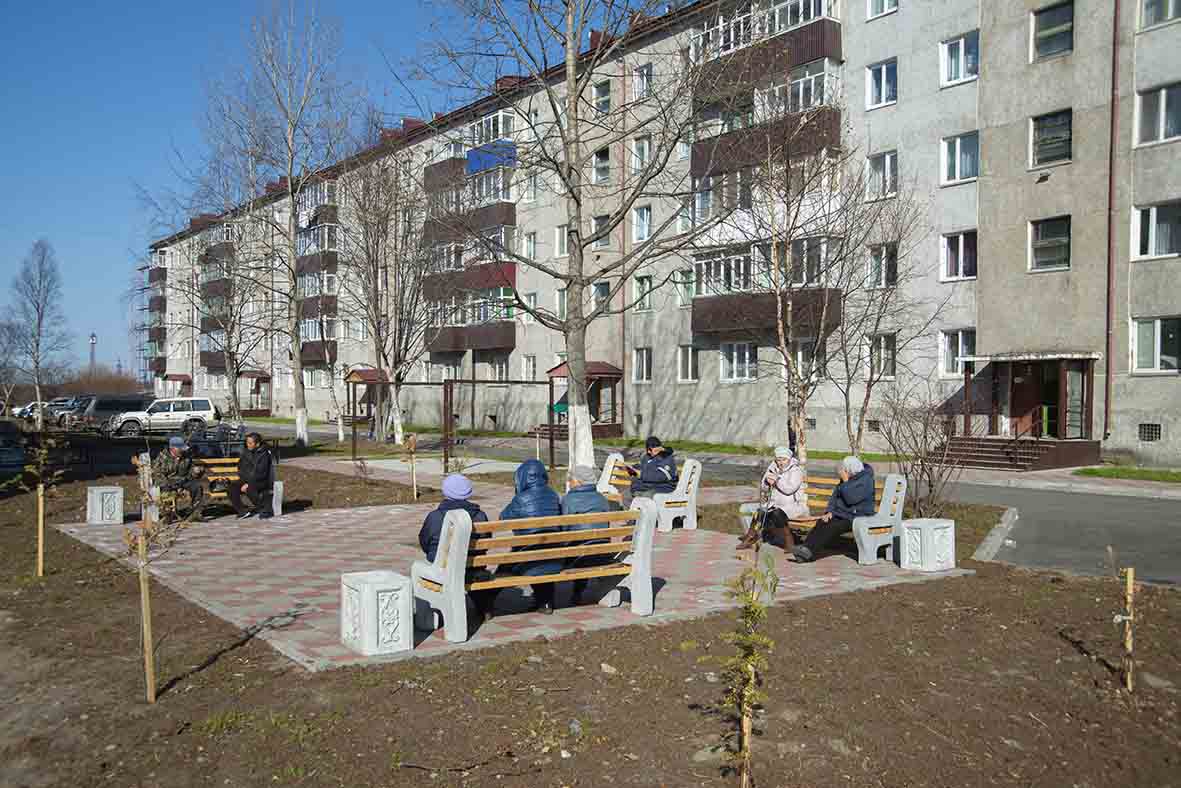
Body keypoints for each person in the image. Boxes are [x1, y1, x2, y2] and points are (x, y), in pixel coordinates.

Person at [418, 474, 499, 621]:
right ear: (468, 492)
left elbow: (424, 541)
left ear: (445, 491)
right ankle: (484, 607)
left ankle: (436, 610)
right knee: (472, 570)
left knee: (425, 566)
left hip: (443, 568)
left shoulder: (435, 516)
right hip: (473, 568)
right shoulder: (480, 515)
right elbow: (487, 540)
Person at [499, 459, 563, 614]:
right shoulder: (553, 495)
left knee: (506, 567)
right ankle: (546, 603)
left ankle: (485, 604)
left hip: (528, 558)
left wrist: (518, 494)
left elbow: (503, 518)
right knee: (543, 555)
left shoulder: (521, 499)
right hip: (555, 557)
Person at [791, 456, 876, 562]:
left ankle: (808, 552)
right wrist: (829, 511)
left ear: (850, 470)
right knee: (823, 522)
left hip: (858, 516)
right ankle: (806, 549)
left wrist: (845, 481)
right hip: (843, 514)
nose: (842, 473)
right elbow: (834, 497)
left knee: (832, 527)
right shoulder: (849, 477)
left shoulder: (866, 480)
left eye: (844, 470)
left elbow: (851, 499)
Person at [561, 464, 615, 605]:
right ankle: (578, 592)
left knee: (576, 546)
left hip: (578, 556)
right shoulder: (602, 499)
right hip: (602, 552)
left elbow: (564, 530)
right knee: (586, 545)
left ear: (578, 482)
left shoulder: (568, 500)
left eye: (570, 480)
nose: (569, 482)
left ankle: (547, 598)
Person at [738, 446, 807, 551]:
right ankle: (750, 537)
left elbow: (789, 489)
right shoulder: (773, 467)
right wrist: (766, 482)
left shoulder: (796, 470)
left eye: (783, 459)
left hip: (793, 505)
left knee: (776, 513)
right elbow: (764, 487)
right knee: (760, 512)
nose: (781, 462)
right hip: (775, 503)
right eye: (778, 459)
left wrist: (776, 482)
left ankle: (789, 542)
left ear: (789, 459)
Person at [152, 436, 207, 521]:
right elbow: (157, 474)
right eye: (180, 448)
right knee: (167, 490)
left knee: (197, 486)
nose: (183, 450)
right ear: (172, 448)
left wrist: (196, 471)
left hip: (183, 480)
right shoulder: (163, 458)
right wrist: (168, 484)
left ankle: (195, 513)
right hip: (168, 482)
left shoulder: (186, 457)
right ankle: (167, 514)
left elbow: (190, 473)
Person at [229, 432, 273, 520]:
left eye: (250, 443)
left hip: (261, 481)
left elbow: (261, 473)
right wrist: (244, 481)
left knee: (250, 489)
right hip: (247, 480)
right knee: (232, 487)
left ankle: (265, 510)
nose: (247, 445)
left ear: (257, 444)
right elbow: (241, 467)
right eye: (247, 442)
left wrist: (248, 483)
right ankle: (242, 511)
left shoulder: (264, 454)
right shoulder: (246, 452)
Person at [625, 436, 678, 506]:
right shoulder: (647, 457)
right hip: (647, 486)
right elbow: (642, 466)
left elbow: (661, 476)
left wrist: (641, 474)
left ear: (658, 448)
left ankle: (644, 515)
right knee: (625, 495)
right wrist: (632, 469)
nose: (648, 452)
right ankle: (632, 515)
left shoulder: (666, 458)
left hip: (662, 487)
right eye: (647, 449)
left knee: (644, 499)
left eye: (650, 449)